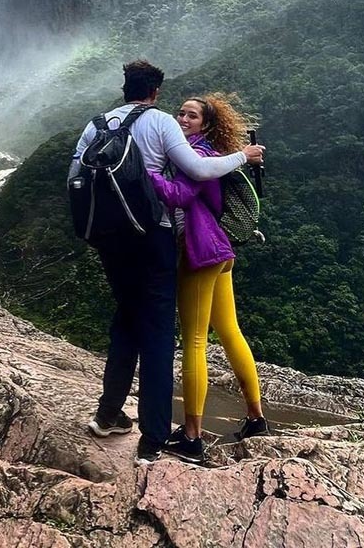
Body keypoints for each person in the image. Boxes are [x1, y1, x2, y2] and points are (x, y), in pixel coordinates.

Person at [71, 61, 264, 465]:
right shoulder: (159, 123)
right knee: (158, 332)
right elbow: (196, 170)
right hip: (153, 235)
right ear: (156, 92)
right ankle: (153, 438)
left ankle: (108, 415)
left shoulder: (96, 125)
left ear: (125, 88)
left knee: (125, 319)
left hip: (110, 238)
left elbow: (75, 176)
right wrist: (242, 157)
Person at [149, 94, 268, 464]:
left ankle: (192, 436)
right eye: (181, 112)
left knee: (195, 340)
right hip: (221, 251)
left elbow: (177, 194)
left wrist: (146, 173)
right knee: (229, 330)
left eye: (192, 115)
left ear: (206, 124)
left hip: (201, 253)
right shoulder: (206, 152)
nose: (182, 118)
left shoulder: (199, 156)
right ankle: (256, 417)